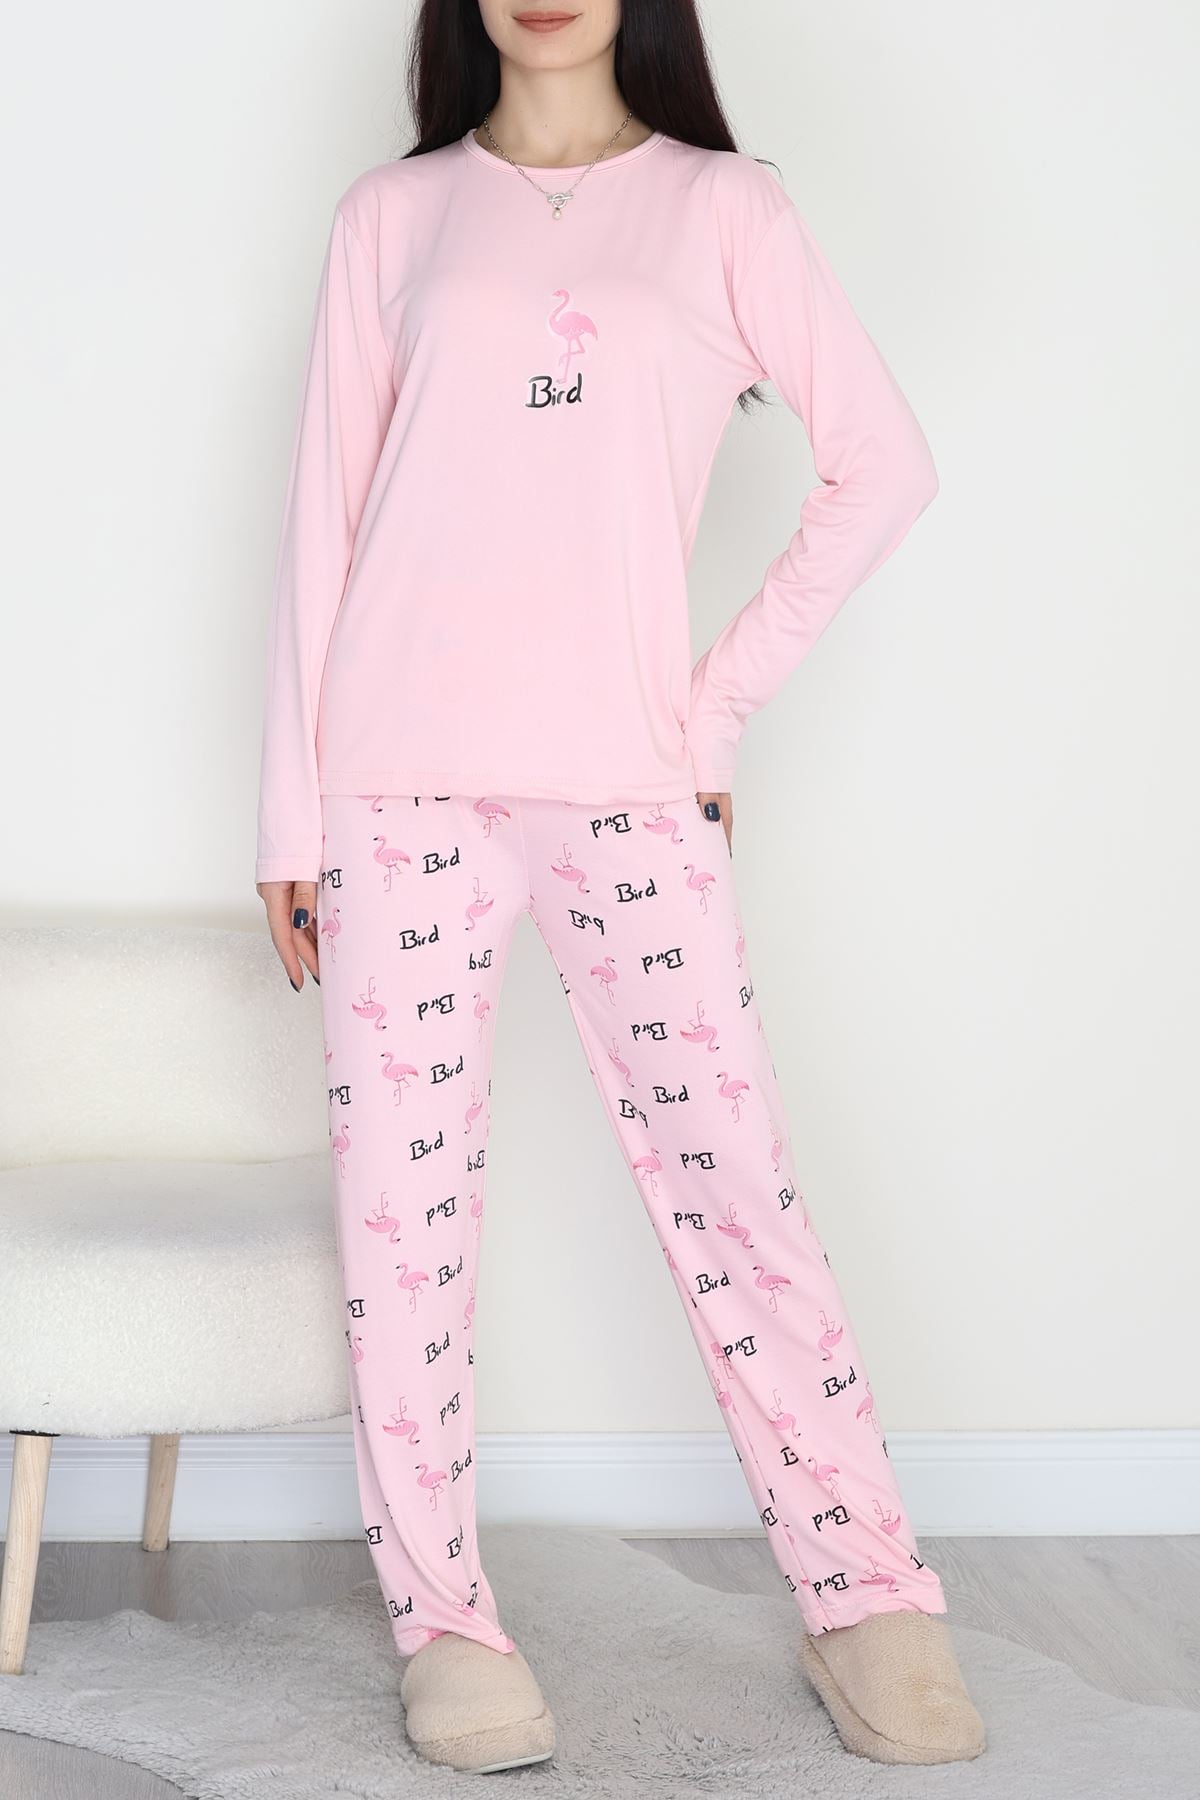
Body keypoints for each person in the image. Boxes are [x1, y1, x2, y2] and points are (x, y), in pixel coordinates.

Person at [254, 0, 985, 1775]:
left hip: (630, 786)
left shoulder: (728, 207)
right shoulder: (393, 216)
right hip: (396, 782)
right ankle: (444, 1622)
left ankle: (865, 1592)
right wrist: (289, 815)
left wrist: (709, 709)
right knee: (403, 1222)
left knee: (736, 1187)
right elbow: (323, 515)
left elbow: (884, 464)